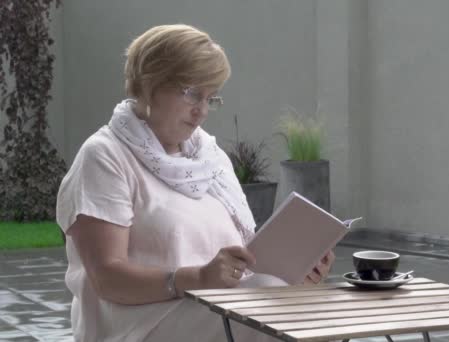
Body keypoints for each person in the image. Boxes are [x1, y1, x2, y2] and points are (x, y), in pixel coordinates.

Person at [56, 24, 335, 342]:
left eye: (211, 98)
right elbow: (108, 278)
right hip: (138, 324)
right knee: (267, 308)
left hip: (217, 309)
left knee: (308, 309)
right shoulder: (104, 156)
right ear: (151, 84)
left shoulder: (209, 157)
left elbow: (246, 266)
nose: (202, 110)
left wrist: (297, 274)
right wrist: (197, 278)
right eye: (192, 93)